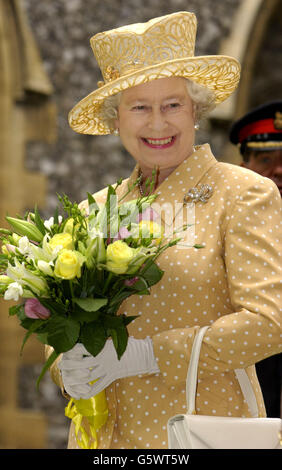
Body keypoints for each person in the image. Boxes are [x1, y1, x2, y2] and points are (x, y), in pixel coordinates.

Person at [48, 12, 282, 449]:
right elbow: (64, 320)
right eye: (140, 107)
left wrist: (149, 354)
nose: (158, 123)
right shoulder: (94, 209)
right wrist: (67, 365)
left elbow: (270, 323)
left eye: (172, 104)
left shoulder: (244, 192)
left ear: (196, 110)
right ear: (116, 120)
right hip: (104, 439)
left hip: (201, 432)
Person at [229, 101, 282, 418]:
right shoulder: (223, 225)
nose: (278, 171)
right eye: (265, 159)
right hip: (244, 381)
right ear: (243, 165)